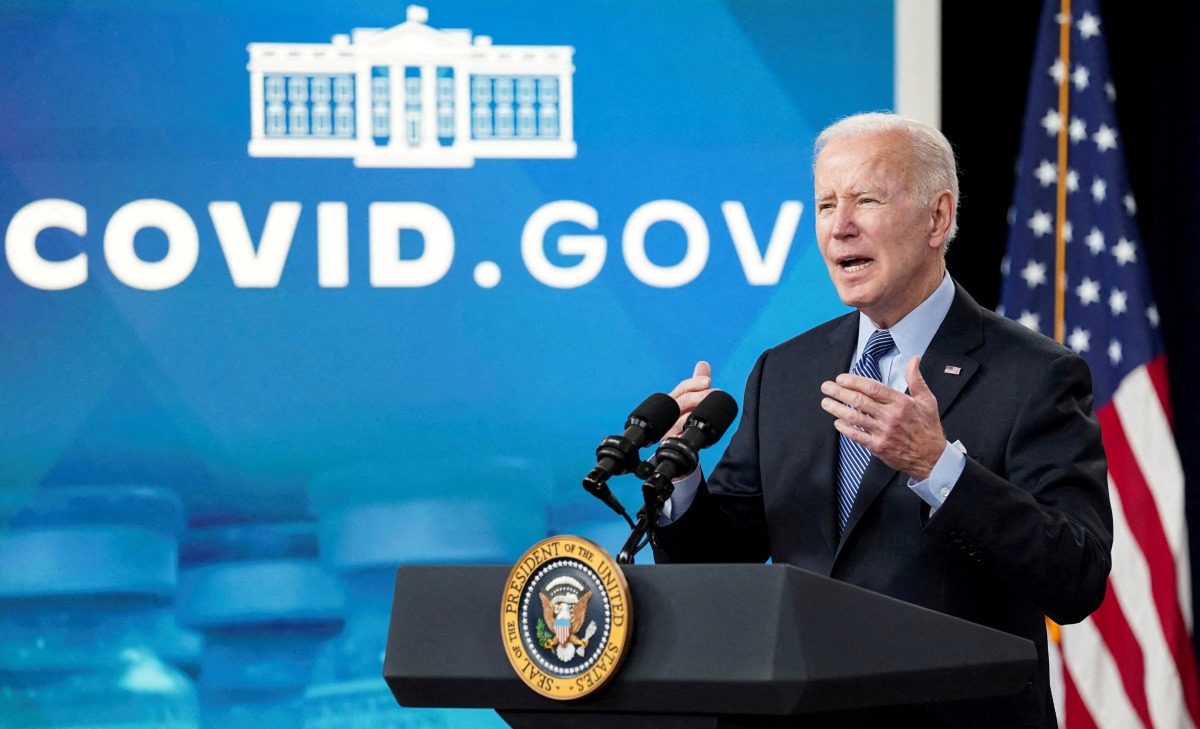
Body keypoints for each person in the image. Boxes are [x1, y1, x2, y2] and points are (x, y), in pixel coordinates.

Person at [651, 111, 1113, 728]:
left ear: (938, 217)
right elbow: (722, 565)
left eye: (865, 200)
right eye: (825, 205)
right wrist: (682, 478)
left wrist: (938, 466)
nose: (839, 227)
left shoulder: (1035, 375)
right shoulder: (784, 370)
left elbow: (1075, 576)